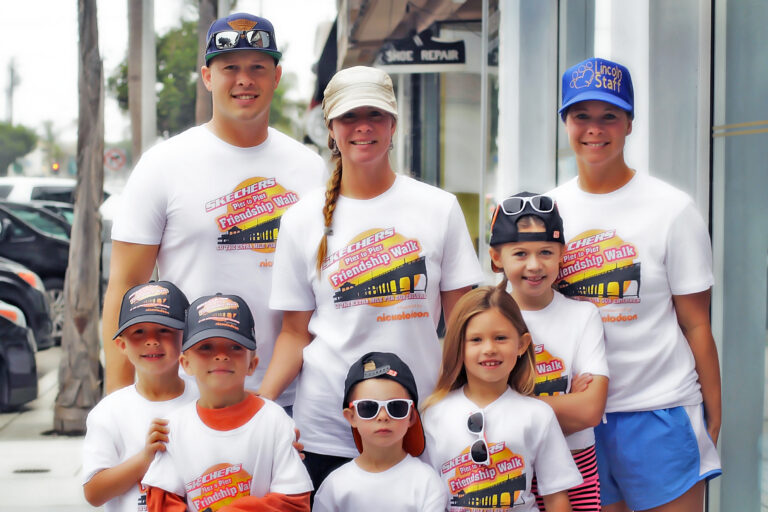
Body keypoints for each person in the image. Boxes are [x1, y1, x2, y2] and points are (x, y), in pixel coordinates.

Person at [259, 65, 483, 489]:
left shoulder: (439, 208)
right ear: (331, 128)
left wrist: (475, 400)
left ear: (393, 123)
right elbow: (294, 334)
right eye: (349, 117)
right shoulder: (301, 220)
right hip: (328, 428)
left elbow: (462, 325)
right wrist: (258, 404)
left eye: (375, 115)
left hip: (416, 423)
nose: (363, 127)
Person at [102, 12, 326, 407]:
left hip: (294, 396)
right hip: (187, 399)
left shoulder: (309, 169)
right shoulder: (163, 165)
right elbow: (124, 289)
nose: (244, 80)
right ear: (207, 77)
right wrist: (119, 408)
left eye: (258, 67)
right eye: (230, 68)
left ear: (276, 77)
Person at [550, 57, 721, 512]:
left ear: (629, 124)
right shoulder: (549, 210)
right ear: (565, 122)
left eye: (609, 116)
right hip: (577, 415)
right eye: (581, 115)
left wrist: (713, 414)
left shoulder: (672, 210)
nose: (594, 128)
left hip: (659, 408)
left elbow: (697, 324)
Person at [489, 192, 609, 511]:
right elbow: (481, 412)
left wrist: (511, 405)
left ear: (562, 254)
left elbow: (590, 411)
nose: (534, 265)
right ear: (497, 257)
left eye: (545, 252)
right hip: (504, 464)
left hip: (576, 463)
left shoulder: (582, 316)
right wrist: (566, 402)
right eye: (520, 253)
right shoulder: (484, 316)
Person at [141, 293, 312, 511]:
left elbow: (295, 502)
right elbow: (161, 501)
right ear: (186, 363)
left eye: (235, 347)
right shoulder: (172, 427)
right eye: (206, 347)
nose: (221, 356)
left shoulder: (274, 420)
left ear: (252, 364)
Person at [422, 286, 582, 511]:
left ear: (522, 344)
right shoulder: (433, 414)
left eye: (500, 338)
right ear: (458, 346)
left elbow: (557, 498)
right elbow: (426, 497)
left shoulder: (538, 414)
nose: (489, 349)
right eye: (476, 340)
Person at [82, 281, 198, 511]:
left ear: (186, 338)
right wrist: (147, 456)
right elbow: (94, 493)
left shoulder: (207, 400)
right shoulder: (109, 412)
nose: (152, 340)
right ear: (121, 344)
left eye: (165, 329)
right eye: (139, 331)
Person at [312, 351, 447, 511]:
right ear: (351, 417)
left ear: (411, 417)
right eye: (368, 407)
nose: (383, 416)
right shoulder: (334, 486)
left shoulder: (427, 482)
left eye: (396, 407)